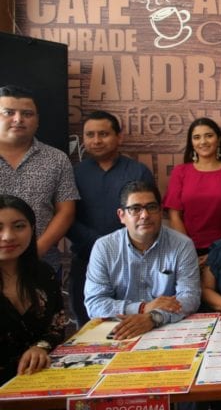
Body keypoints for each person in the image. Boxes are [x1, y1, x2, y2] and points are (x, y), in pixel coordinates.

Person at [68, 110, 155, 327]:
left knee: (133, 322)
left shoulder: (138, 172)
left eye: (103, 134)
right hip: (86, 258)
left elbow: (147, 216)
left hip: (132, 262)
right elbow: (66, 216)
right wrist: (98, 244)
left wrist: (120, 245)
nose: (96, 140)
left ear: (119, 137)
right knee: (89, 323)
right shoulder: (74, 173)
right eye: (90, 135)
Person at [84, 180, 200, 339]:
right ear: (122, 216)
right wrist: (142, 308)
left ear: (161, 212)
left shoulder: (182, 245)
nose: (145, 215)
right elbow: (94, 303)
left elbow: (190, 298)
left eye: (151, 207)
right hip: (118, 330)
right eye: (135, 209)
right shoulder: (104, 247)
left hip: (167, 328)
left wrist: (153, 318)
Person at [0, 85, 79, 272]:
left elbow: (66, 211)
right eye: (9, 112)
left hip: (42, 263)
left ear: (37, 121)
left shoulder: (56, 159)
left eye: (27, 114)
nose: (18, 119)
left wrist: (36, 251)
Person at [0, 195, 66, 384]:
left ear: (33, 228)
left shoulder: (43, 274)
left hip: (39, 379)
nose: (8, 236)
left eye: (19, 226)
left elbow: (56, 328)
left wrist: (40, 347)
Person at [164, 117, 221, 266]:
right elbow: (174, 216)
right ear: (191, 143)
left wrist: (218, 252)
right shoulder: (180, 172)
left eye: (209, 136)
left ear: (218, 140)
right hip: (185, 250)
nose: (203, 141)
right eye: (197, 137)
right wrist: (189, 252)